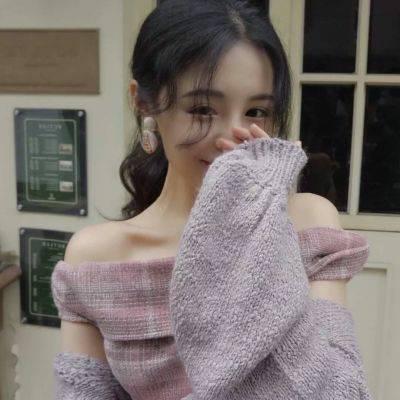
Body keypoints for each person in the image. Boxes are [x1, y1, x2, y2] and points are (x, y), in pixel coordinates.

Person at [51, 0, 372, 399]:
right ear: (144, 102)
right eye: (203, 109)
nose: (232, 138)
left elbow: (340, 392)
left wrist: (259, 229)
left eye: (256, 111)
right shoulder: (96, 260)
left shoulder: (308, 223)